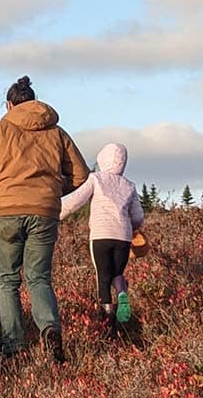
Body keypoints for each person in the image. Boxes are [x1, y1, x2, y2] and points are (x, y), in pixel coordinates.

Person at [0, 76, 88, 363]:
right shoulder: (57, 133)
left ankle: (13, 346)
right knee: (39, 278)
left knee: (8, 280)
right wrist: (52, 193)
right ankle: (49, 328)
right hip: (44, 213)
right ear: (34, 101)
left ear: (9, 104)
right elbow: (81, 175)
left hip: (6, 212)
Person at [59, 143, 143, 338]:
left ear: (102, 160)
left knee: (103, 278)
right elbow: (138, 217)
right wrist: (134, 226)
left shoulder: (96, 179)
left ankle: (108, 325)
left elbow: (76, 201)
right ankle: (122, 293)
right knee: (117, 273)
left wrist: (56, 212)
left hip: (101, 236)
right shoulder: (129, 185)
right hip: (123, 237)